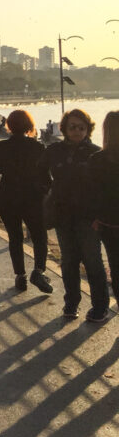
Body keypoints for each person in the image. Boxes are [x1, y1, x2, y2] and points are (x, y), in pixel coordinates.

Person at [39, 109, 105, 322]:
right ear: (65, 128)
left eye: (81, 127)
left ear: (88, 129)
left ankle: (100, 306)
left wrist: (100, 215)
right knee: (68, 262)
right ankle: (71, 303)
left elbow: (105, 187)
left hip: (88, 218)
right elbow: (39, 173)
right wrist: (50, 192)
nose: (77, 131)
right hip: (63, 215)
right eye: (73, 127)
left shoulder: (95, 153)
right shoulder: (54, 151)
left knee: (93, 261)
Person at [0, 110, 52, 294]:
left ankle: (20, 276)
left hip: (7, 197)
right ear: (28, 125)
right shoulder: (38, 147)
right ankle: (39, 271)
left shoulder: (0, 146)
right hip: (32, 198)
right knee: (39, 237)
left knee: (15, 238)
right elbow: (45, 175)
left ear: (9, 125)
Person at [90, 112, 119, 309]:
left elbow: (93, 194)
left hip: (109, 223)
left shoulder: (97, 159)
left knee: (116, 267)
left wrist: (95, 218)